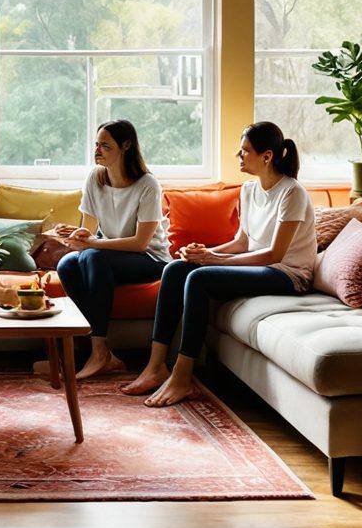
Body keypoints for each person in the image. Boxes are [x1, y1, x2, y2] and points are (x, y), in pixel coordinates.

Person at [122, 121, 317, 407]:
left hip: (288, 276)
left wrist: (213, 260)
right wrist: (204, 253)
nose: (239, 156)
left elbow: (274, 254)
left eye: (245, 151)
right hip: (262, 267)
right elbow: (242, 241)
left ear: (267, 156)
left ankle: (182, 376)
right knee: (176, 269)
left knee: (200, 279)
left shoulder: (292, 193)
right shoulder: (249, 190)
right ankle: (155, 367)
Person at [52, 120, 171, 380]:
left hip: (149, 259)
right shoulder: (95, 178)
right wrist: (74, 236)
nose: (97, 150)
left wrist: (91, 244)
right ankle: (93, 352)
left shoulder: (147, 185)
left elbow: (140, 243)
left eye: (105, 145)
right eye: (97, 144)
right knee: (67, 264)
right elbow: (89, 231)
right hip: (109, 255)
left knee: (93, 256)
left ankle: (99, 352)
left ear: (126, 146)